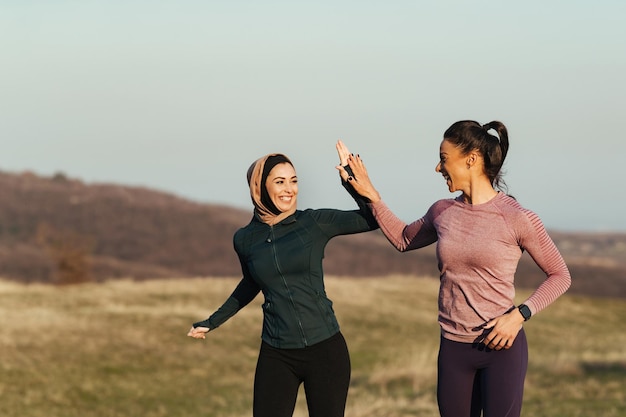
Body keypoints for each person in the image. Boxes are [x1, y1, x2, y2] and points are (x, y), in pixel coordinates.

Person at [337, 120, 571, 417]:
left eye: (444, 158)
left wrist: (520, 315)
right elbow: (402, 238)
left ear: (471, 159)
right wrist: (370, 193)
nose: (438, 168)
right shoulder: (442, 211)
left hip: (501, 348)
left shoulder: (516, 218)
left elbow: (560, 275)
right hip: (453, 349)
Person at [187, 147, 378, 417]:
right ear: (260, 187)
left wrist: (351, 180)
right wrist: (213, 321)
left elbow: (373, 219)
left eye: (294, 180)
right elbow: (251, 283)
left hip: (325, 350)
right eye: (279, 182)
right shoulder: (245, 239)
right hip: (277, 353)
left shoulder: (313, 222)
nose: (289, 189)